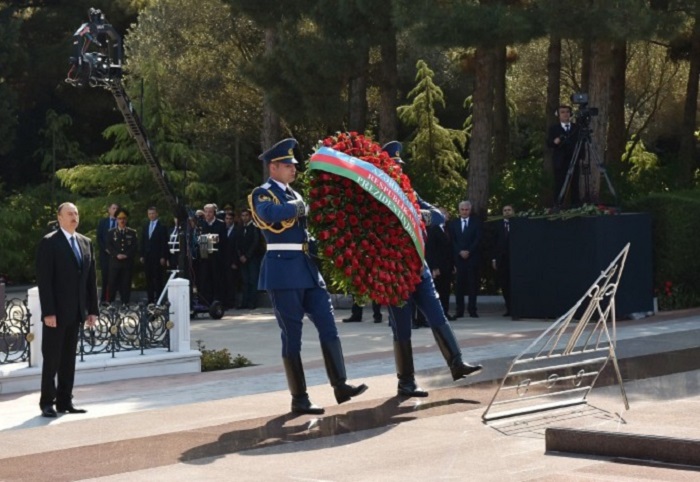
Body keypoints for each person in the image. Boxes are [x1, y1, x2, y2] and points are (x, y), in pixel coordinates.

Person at [250, 137, 367, 415]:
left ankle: (340, 384)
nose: (294, 170)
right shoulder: (262, 193)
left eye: (294, 165)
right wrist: (303, 208)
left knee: (328, 325)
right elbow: (269, 215)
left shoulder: (295, 195)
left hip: (307, 269)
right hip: (282, 269)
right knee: (292, 335)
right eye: (288, 165)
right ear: (274, 167)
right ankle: (299, 398)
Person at [382, 141, 482, 398]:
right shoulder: (378, 195)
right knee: (402, 327)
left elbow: (439, 215)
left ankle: (456, 363)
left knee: (438, 315)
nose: (399, 169)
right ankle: (406, 382)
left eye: (400, 165)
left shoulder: (410, 193)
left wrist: (422, 216)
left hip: (418, 266)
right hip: (395, 270)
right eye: (394, 165)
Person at [36, 202, 98, 417]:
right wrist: (48, 312)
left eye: (76, 213)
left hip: (77, 312)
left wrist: (92, 310)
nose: (74, 217)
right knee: (52, 358)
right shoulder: (50, 242)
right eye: (69, 214)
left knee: (69, 359)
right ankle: (47, 402)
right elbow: (45, 281)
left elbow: (91, 280)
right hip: (57, 313)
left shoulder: (86, 242)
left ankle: (65, 401)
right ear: (60, 218)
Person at [448, 200, 482, 318]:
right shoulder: (453, 223)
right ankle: (459, 310)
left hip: (472, 258)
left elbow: (478, 239)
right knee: (459, 286)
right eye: (462, 209)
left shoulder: (476, 223)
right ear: (459, 210)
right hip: (459, 259)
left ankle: (472, 309)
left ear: (470, 210)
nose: (464, 211)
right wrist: (460, 251)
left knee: (473, 285)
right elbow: (452, 240)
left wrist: (469, 251)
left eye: (466, 209)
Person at [425, 206, 455, 321]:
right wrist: (434, 267)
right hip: (438, 266)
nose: (444, 216)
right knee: (437, 291)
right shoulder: (433, 229)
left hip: (447, 266)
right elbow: (431, 250)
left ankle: (445, 313)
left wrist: (452, 265)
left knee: (446, 291)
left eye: (445, 214)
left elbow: (450, 248)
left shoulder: (448, 229)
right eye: (441, 214)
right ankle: (436, 315)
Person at [547, 105, 580, 207]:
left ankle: (576, 207)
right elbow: (549, 143)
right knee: (560, 184)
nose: (565, 114)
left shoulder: (576, 128)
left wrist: (581, 157)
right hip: (560, 161)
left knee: (575, 184)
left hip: (574, 160)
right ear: (559, 115)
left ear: (570, 114)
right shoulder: (554, 129)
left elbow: (580, 143)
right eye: (562, 112)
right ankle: (558, 206)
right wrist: (555, 142)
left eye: (567, 112)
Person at [198, 203, 226, 305]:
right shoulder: (201, 224)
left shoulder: (221, 224)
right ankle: (206, 301)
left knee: (217, 279)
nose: (208, 214)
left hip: (217, 257)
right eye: (206, 212)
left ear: (214, 212)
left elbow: (223, 241)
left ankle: (218, 301)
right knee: (205, 279)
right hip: (205, 256)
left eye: (210, 212)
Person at [107, 208, 137, 303]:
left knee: (126, 284)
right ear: (116, 220)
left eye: (124, 218)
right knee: (112, 283)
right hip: (115, 262)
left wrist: (126, 255)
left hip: (127, 263)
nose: (122, 221)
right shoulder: (111, 232)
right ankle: (110, 304)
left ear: (126, 220)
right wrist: (116, 255)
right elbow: (108, 246)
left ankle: (125, 304)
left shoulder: (132, 233)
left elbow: (134, 246)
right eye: (120, 219)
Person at [139, 206, 169, 303]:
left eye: (153, 213)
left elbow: (164, 242)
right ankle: (150, 300)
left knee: (158, 279)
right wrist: (142, 255)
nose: (151, 215)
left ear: (157, 214)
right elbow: (143, 241)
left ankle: (159, 300)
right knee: (149, 279)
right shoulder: (146, 226)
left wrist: (163, 256)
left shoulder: (162, 226)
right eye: (149, 214)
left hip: (157, 257)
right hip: (148, 257)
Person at [235, 208, 263, 310]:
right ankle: (244, 302)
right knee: (245, 281)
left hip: (252, 258)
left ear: (250, 216)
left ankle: (252, 302)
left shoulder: (255, 227)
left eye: (246, 215)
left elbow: (255, 243)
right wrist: (240, 255)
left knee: (252, 280)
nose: (244, 217)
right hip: (242, 258)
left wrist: (247, 256)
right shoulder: (240, 228)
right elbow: (237, 243)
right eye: (242, 215)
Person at [492, 204, 514, 317]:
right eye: (505, 210)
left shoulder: (517, 224)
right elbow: (494, 243)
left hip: (514, 260)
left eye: (509, 210)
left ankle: (516, 308)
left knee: (513, 284)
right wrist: (494, 259)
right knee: (504, 284)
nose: (507, 212)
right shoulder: (498, 225)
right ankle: (509, 308)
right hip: (501, 260)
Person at [96, 202, 119, 301]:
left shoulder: (121, 222)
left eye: (117, 208)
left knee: (114, 277)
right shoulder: (103, 222)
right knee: (105, 276)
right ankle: (103, 300)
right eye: (113, 208)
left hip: (117, 255)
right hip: (105, 254)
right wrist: (105, 248)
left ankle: (112, 299)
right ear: (109, 210)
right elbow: (99, 238)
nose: (115, 210)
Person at [221, 210, 239, 309]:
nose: (228, 221)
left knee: (231, 282)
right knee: (224, 282)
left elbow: (237, 247)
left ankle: (232, 302)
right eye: (226, 218)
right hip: (224, 261)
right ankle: (225, 302)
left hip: (232, 260)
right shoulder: (223, 230)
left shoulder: (237, 230)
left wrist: (235, 262)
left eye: (230, 219)